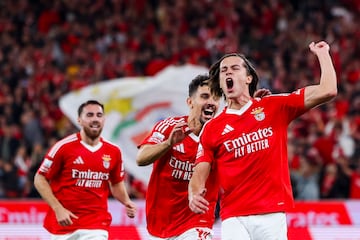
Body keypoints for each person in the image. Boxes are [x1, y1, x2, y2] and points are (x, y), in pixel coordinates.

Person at [188, 40, 337, 240]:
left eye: (234, 68)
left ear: (248, 78)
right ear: (221, 83)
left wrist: (323, 54)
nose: (228, 73)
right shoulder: (212, 128)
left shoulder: (274, 106)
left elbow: (327, 90)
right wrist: (194, 193)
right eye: (223, 71)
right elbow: (199, 171)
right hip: (233, 216)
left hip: (271, 213)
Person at [34, 100, 137, 240]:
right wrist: (58, 208)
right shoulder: (63, 147)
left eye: (99, 115)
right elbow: (40, 178)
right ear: (79, 120)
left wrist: (126, 201)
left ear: (104, 119)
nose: (95, 119)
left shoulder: (114, 152)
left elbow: (116, 183)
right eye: (89, 115)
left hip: (96, 225)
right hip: (64, 225)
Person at [136, 74, 221, 240]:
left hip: (197, 222)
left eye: (216, 98)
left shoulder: (222, 137)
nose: (211, 102)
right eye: (205, 96)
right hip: (160, 225)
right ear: (190, 102)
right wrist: (168, 143)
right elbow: (141, 158)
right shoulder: (169, 127)